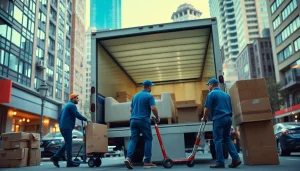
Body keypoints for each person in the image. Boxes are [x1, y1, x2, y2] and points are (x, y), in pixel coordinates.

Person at [202, 78, 241, 168]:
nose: (208, 87)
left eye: (208, 85)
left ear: (211, 85)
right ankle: (236, 158)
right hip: (228, 118)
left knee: (217, 140)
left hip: (219, 119)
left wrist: (204, 118)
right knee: (227, 138)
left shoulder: (211, 94)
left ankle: (220, 162)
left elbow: (207, 108)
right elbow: (230, 108)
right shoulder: (226, 95)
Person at [124, 80, 160, 169]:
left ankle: (128, 158)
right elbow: (153, 108)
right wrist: (157, 117)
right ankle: (147, 161)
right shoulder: (149, 96)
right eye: (151, 86)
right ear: (149, 87)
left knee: (133, 139)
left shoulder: (135, 96)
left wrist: (136, 115)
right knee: (148, 139)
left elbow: (130, 110)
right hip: (143, 120)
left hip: (133, 120)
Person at [50, 94, 88, 168]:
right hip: (66, 127)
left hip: (63, 127)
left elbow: (59, 117)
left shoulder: (66, 106)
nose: (78, 100)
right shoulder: (72, 106)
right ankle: (69, 162)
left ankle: (56, 157)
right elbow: (76, 114)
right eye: (77, 98)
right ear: (73, 98)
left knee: (67, 143)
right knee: (69, 143)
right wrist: (86, 119)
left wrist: (62, 124)